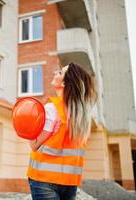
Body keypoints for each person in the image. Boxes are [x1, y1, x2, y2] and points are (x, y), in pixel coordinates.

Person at [27, 62, 97, 200]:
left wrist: (27, 128)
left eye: (60, 72)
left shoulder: (52, 109)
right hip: (70, 182)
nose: (55, 73)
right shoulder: (81, 115)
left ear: (64, 83)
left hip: (44, 180)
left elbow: (35, 144)